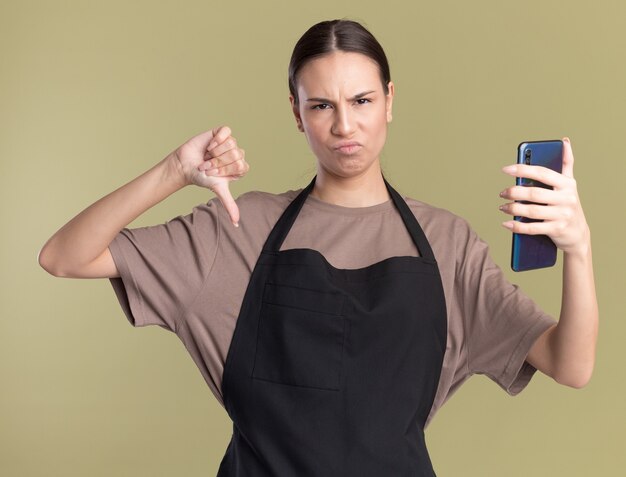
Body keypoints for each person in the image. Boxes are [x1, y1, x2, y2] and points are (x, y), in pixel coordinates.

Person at [39, 18, 598, 477]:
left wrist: (578, 249)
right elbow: (64, 256)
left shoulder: (447, 245)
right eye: (321, 106)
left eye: (361, 99)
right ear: (295, 111)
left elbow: (569, 365)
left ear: (389, 100)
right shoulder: (240, 227)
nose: (344, 125)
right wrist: (175, 170)